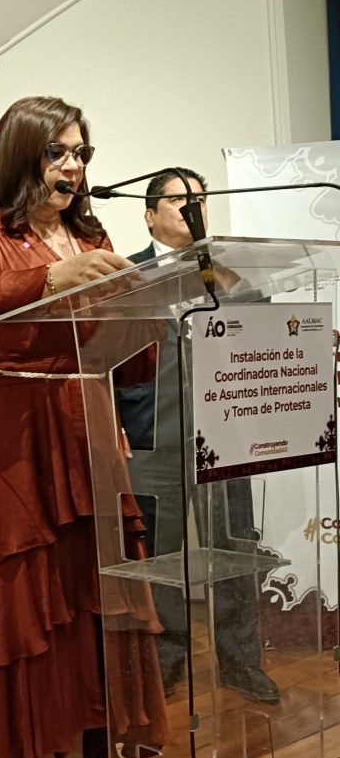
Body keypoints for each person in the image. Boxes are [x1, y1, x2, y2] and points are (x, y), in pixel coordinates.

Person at [0, 96, 169, 758]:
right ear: (23, 156)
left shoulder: (93, 235)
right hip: (16, 440)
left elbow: (128, 360)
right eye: (58, 152)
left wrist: (156, 304)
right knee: (28, 617)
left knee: (81, 614)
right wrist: (54, 277)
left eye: (80, 153)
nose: (73, 166)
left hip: (89, 437)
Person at [115, 169, 280, 705]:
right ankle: (164, 662)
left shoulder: (229, 276)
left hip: (225, 436)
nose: (194, 207)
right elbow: (105, 357)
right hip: (151, 434)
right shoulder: (125, 278)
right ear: (149, 215)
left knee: (233, 550)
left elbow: (265, 344)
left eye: (201, 199)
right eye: (179, 199)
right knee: (158, 555)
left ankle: (240, 662)